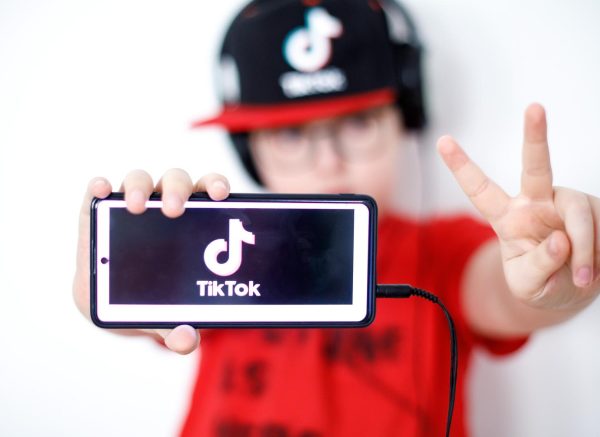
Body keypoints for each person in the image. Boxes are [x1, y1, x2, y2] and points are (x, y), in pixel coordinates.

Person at [72, 0, 600, 436]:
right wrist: (124, 272)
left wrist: (554, 266)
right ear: (248, 151)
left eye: (358, 122)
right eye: (291, 133)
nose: (329, 161)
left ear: (404, 120)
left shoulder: (441, 252)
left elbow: (505, 288)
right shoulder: (219, 241)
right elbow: (145, 320)